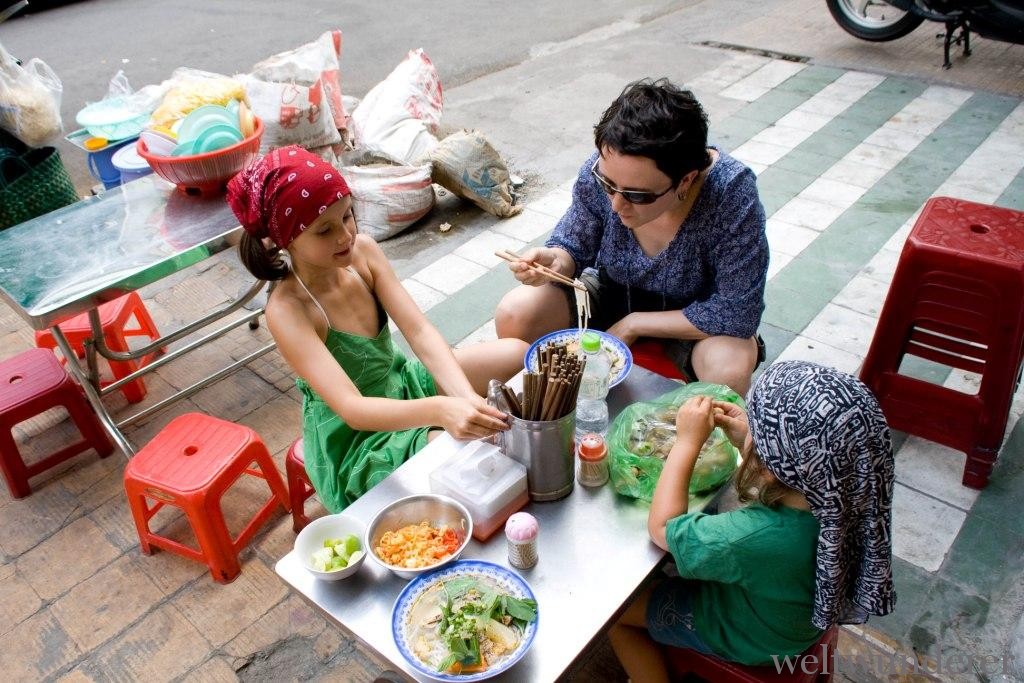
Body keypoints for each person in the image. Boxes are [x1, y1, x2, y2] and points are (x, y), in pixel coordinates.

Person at [226, 146, 527, 513]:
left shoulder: (364, 253)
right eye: (325, 230)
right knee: (449, 452)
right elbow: (354, 409)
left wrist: (464, 398)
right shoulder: (288, 310)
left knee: (515, 354)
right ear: (286, 239)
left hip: (402, 384)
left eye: (348, 216)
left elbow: (419, 332)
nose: (345, 236)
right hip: (357, 436)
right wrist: (442, 410)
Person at [609, 361, 897, 681]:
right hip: (797, 620)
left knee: (616, 618)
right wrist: (748, 438)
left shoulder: (755, 537)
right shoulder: (846, 497)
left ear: (771, 467)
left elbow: (662, 529)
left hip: (748, 635)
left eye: (758, 430)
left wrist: (687, 442)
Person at [495, 78, 768, 396]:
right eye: (608, 184)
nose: (616, 204)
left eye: (638, 195)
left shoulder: (730, 194)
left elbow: (737, 311)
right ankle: (549, 413)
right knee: (516, 312)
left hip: (694, 316)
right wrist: (555, 260)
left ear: (686, 180)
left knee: (729, 365)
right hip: (612, 293)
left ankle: (694, 437)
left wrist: (635, 323)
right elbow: (574, 243)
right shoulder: (599, 172)